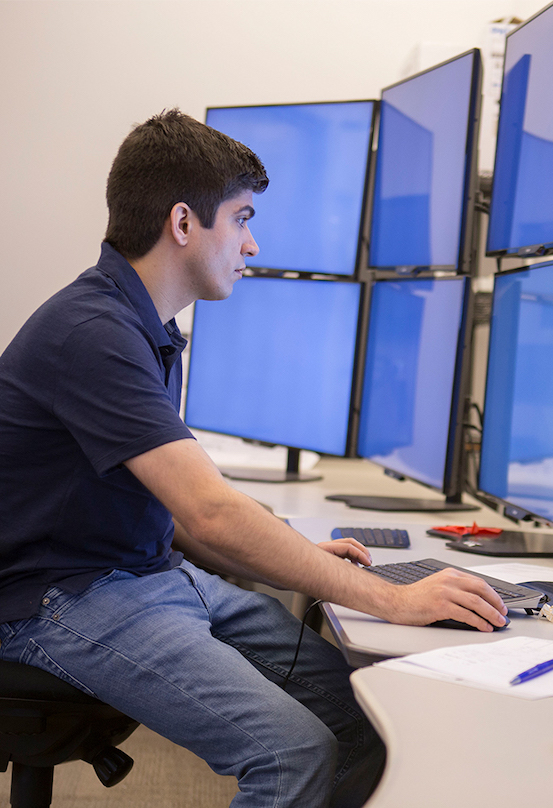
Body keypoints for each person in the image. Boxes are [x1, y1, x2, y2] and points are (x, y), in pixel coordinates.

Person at [0, 109, 508, 807]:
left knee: (360, 715)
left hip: (143, 573)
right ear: (183, 224)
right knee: (290, 752)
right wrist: (391, 597)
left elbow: (173, 507)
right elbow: (208, 514)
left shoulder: (141, 324)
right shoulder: (93, 334)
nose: (252, 242)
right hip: (62, 599)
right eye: (240, 218)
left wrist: (292, 554)